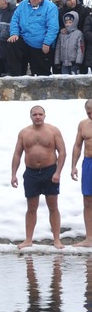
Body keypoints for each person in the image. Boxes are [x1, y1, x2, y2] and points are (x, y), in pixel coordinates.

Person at [10, 105, 66, 250]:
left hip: (50, 171)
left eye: (40, 114)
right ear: (31, 116)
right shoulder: (24, 133)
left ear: (45, 115)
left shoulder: (53, 131)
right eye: (35, 114)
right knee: (31, 207)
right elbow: (17, 154)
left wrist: (58, 172)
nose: (38, 117)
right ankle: (28, 239)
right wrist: (13, 174)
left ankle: (56, 239)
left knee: (53, 206)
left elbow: (62, 152)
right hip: (31, 173)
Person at [7, 0, 59, 76]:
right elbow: (15, 19)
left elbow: (53, 27)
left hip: (40, 44)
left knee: (41, 73)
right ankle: (16, 77)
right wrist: (14, 33)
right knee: (12, 43)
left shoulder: (50, 7)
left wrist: (47, 42)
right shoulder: (23, 4)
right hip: (25, 40)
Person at [70, 99, 92, 247]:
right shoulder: (83, 124)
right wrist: (73, 166)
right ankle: (89, 238)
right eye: (88, 112)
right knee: (88, 201)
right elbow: (77, 145)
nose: (91, 115)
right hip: (88, 163)